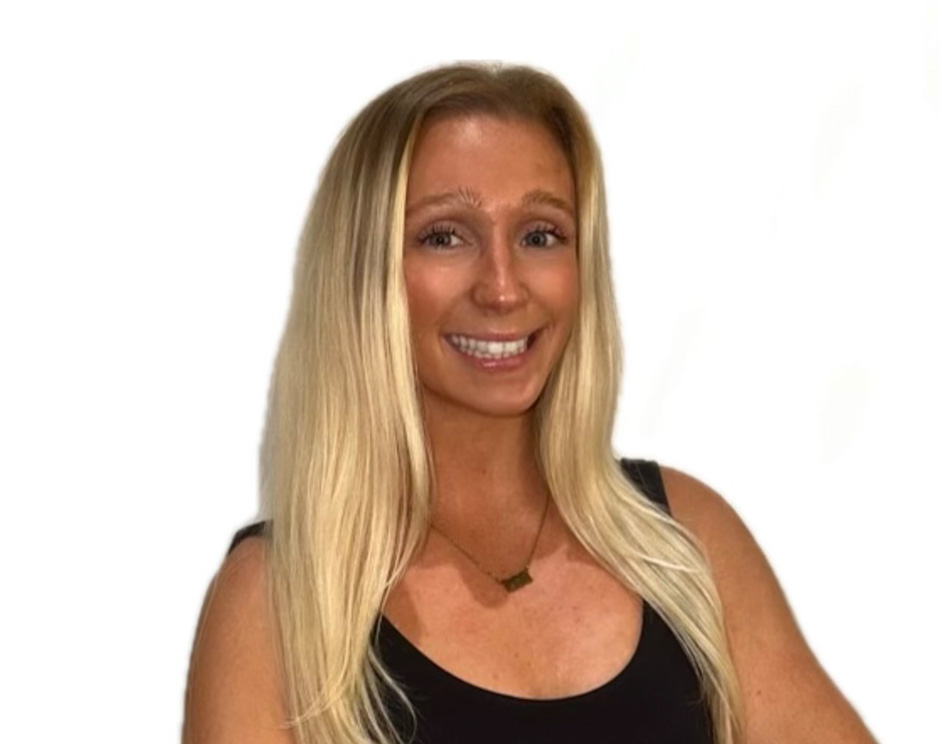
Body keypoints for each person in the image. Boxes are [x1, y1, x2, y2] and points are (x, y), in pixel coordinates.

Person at [183, 62, 876, 744]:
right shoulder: (276, 601)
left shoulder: (685, 542)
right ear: (363, 274)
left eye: (540, 235)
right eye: (445, 236)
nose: (504, 288)